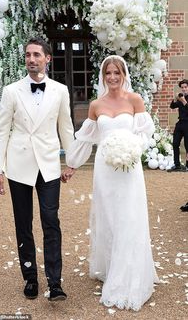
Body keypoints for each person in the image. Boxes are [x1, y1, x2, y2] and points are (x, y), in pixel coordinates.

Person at [66, 55, 159, 311]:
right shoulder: (96, 105)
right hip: (105, 170)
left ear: (124, 74)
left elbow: (144, 132)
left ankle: (129, 275)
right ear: (103, 76)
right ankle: (111, 267)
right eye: (108, 73)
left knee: (129, 217)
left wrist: (132, 149)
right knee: (108, 217)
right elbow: (86, 137)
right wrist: (72, 164)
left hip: (129, 168)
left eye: (117, 73)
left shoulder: (135, 100)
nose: (113, 77)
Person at [0, 37, 75, 301]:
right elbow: (1, 131)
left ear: (47, 58)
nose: (31, 59)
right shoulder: (11, 91)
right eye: (28, 55)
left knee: (51, 222)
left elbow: (66, 128)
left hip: (49, 167)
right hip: (19, 168)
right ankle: (30, 278)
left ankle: (55, 282)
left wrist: (70, 162)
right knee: (23, 225)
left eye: (37, 55)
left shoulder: (60, 90)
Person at [167, 79, 188, 172]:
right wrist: (175, 99)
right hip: (180, 123)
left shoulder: (183, 99)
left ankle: (187, 166)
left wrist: (184, 101)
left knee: (187, 145)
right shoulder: (180, 97)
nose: (183, 89)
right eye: (182, 87)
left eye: (185, 87)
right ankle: (177, 165)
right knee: (175, 143)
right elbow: (172, 106)